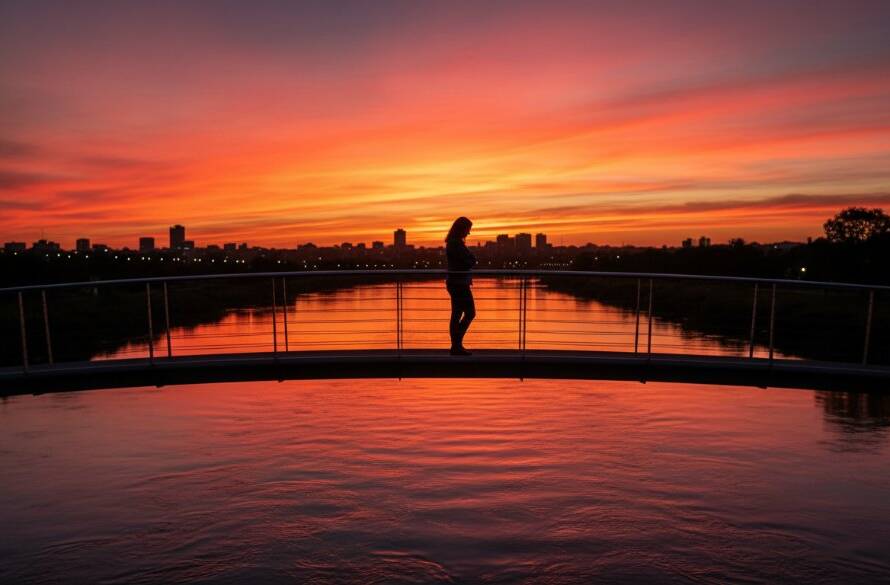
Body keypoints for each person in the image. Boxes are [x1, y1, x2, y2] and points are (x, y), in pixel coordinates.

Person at [445, 216, 477, 355]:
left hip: (457, 283)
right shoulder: (455, 244)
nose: (468, 233)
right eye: (468, 229)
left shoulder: (454, 243)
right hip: (459, 284)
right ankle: (456, 345)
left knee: (457, 314)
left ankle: (456, 346)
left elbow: (469, 260)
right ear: (462, 229)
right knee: (469, 313)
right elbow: (470, 261)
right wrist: (471, 259)